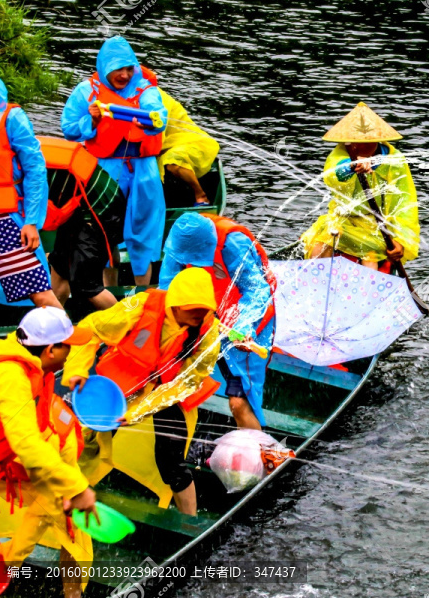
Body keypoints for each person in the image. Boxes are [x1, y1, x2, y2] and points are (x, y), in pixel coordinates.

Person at [63, 268, 220, 516]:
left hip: (169, 394)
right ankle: (67, 495)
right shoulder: (140, 306)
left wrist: (139, 411)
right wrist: (77, 369)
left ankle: (189, 520)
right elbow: (91, 327)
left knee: (171, 460)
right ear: (175, 305)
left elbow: (186, 383)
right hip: (125, 383)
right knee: (84, 438)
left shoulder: (209, 333)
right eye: (193, 310)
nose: (200, 315)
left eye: (205, 309)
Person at [0, 307, 97, 598]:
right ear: (50, 351)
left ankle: (4, 567)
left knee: (50, 505)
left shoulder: (31, 365)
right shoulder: (10, 377)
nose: (71, 352)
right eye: (67, 346)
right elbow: (27, 444)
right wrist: (75, 485)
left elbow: (38, 427)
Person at [61, 36, 168, 286]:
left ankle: (142, 291)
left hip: (143, 169)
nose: (124, 75)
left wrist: (151, 120)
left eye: (129, 68)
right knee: (104, 230)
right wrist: (92, 122)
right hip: (105, 168)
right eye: (117, 69)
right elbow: (68, 129)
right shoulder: (87, 91)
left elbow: (158, 114)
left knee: (143, 230)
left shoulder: (145, 89)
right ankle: (109, 289)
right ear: (105, 68)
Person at [160, 213, 275, 430]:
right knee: (169, 382)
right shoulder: (180, 239)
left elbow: (258, 291)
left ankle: (257, 451)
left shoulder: (233, 244)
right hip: (202, 314)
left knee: (240, 402)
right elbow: (167, 287)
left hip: (243, 318)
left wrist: (243, 325)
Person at [0, 57, 61, 323]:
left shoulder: (11, 117)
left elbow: (35, 171)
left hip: (5, 223)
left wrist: (31, 222)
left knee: (41, 295)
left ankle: (69, 347)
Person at [302, 102, 420, 271]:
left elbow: (405, 205)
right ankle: (314, 282)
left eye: (367, 143)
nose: (360, 147)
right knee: (319, 245)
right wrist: (352, 165)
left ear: (378, 140)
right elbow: (334, 174)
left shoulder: (395, 162)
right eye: (355, 143)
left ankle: (366, 292)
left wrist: (400, 240)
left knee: (369, 258)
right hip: (342, 219)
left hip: (375, 225)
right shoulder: (341, 154)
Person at [45, 138, 126, 311]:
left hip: (100, 209)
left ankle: (126, 329)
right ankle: (57, 324)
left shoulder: (16, 165)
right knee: (60, 266)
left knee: (85, 284)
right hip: (79, 205)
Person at [156, 88, 220, 205]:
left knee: (173, 161)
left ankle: (200, 195)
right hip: (164, 145)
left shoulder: (154, 98)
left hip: (188, 141)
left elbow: (157, 135)